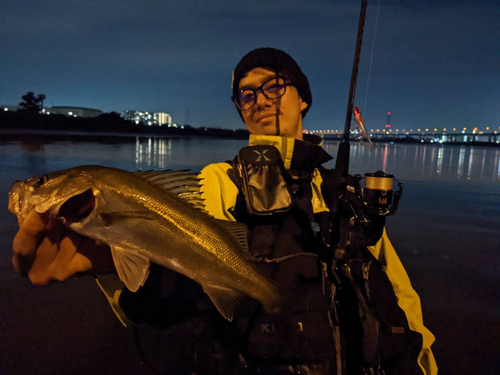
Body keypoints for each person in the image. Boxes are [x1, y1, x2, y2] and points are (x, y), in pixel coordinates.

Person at [12, 48, 437, 375]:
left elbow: (400, 296)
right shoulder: (216, 182)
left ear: (302, 97)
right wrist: (108, 267)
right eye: (246, 94)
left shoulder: (343, 195)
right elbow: (168, 285)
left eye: (275, 85)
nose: (260, 100)